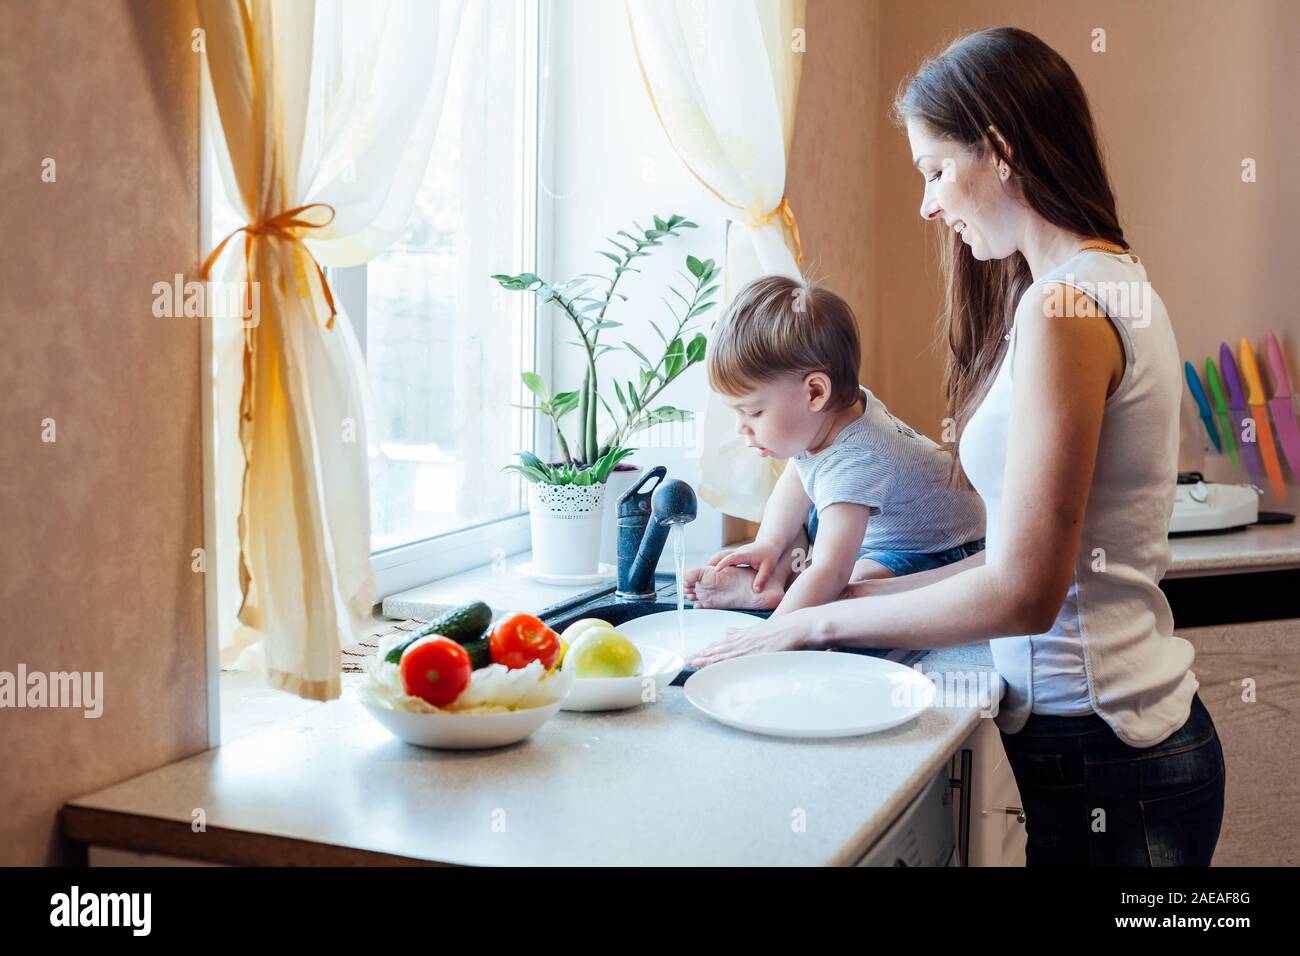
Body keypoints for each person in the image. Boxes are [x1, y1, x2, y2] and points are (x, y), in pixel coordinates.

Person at [687, 27, 1225, 867]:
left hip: (1110, 754)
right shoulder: (1103, 286)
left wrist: (814, 626)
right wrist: (842, 605)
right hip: (1122, 747)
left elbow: (1024, 595)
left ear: (1002, 151)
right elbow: (1015, 559)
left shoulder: (1063, 312)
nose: (929, 205)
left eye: (936, 170)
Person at [684, 274, 985, 617]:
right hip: (874, 524)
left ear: (815, 392)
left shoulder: (857, 459)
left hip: (937, 550)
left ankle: (784, 592)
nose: (742, 427)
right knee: (796, 522)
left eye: (753, 411)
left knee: (850, 585)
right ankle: (768, 581)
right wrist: (768, 544)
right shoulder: (826, 417)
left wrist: (774, 633)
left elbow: (831, 570)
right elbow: (798, 477)